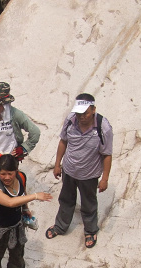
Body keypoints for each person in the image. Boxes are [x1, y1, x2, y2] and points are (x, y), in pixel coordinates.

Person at [45, 93, 113, 249]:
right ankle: (60, 226)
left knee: (88, 204)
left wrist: (105, 178)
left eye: (85, 113)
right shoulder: (70, 120)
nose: (82, 117)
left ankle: (90, 231)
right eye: (79, 113)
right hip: (69, 170)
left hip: (89, 175)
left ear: (94, 109)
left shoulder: (104, 128)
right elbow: (63, 141)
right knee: (66, 200)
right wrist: (57, 164)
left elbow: (107, 154)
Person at [0, 82, 40, 164]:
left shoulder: (16, 115)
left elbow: (35, 132)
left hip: (10, 159)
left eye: (0, 104)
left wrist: (23, 148)